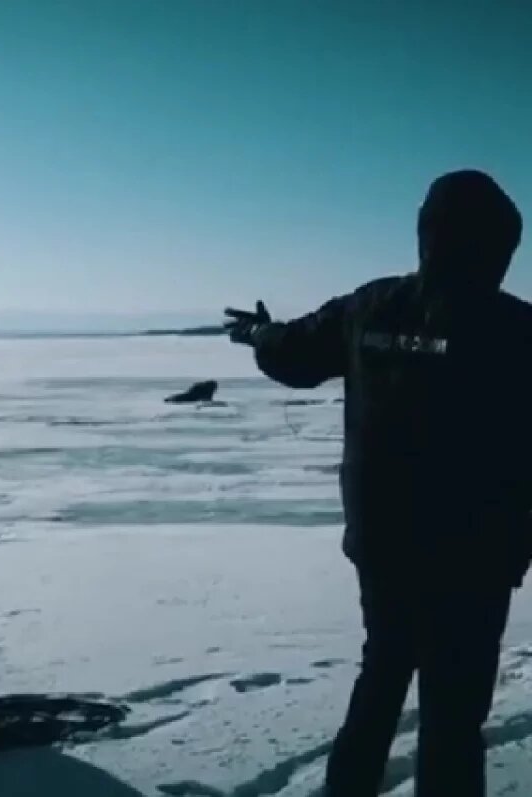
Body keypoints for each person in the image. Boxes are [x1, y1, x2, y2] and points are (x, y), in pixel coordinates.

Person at [225, 169, 529, 797]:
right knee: (453, 712)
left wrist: (258, 333)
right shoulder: (518, 331)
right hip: (475, 558)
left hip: (385, 544)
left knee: (381, 680)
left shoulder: (371, 307)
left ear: (427, 235)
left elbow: (294, 354)